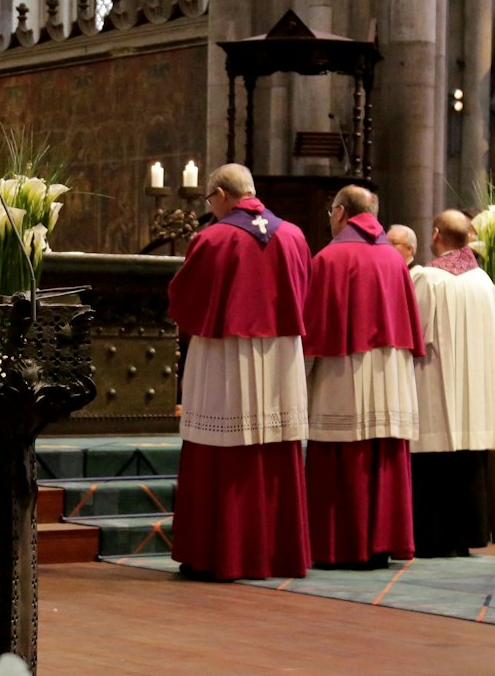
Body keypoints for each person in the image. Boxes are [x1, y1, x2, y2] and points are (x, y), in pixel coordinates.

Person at [168, 163, 314, 581]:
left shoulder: (214, 238)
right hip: (282, 355)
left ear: (218, 195)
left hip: (224, 356)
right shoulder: (294, 235)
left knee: (219, 451)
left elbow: (184, 298)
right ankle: (276, 553)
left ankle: (218, 553)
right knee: (275, 448)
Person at [304, 185, 424, 569]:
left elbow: (311, 329)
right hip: (390, 372)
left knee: (342, 454)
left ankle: (339, 546)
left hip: (343, 371)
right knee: (382, 455)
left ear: (340, 213)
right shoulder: (393, 259)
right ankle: (380, 543)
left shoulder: (329, 258)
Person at [408, 210, 495, 556]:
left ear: (436, 234)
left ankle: (431, 538)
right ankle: (465, 534)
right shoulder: (485, 281)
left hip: (436, 382)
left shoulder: (428, 278)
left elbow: (414, 333)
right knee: (467, 459)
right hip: (474, 391)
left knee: (433, 462)